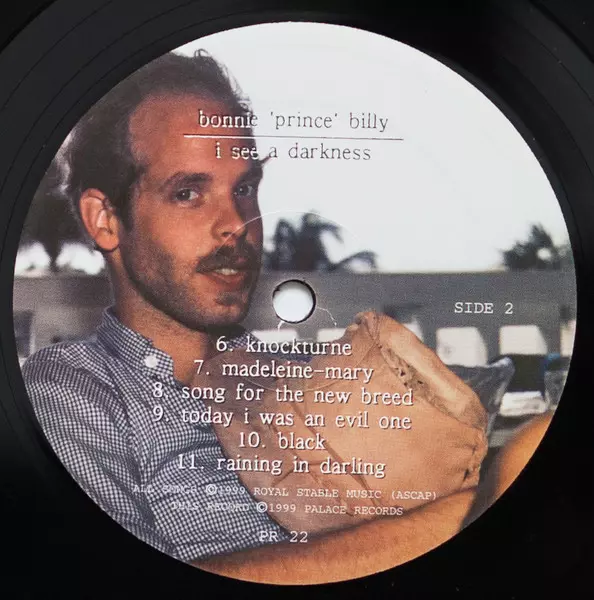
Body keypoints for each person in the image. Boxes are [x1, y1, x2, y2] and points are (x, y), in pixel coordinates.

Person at [21, 50, 524, 584]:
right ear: (105, 220)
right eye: (187, 193)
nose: (236, 223)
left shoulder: (302, 375)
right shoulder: (70, 393)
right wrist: (461, 515)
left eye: (244, 189)